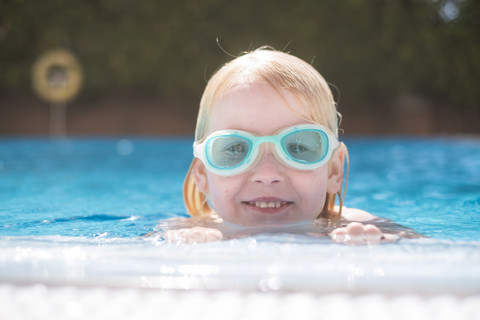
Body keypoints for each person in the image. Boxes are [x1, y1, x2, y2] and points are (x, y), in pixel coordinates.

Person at [157, 47, 409, 245]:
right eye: (235, 149)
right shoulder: (187, 231)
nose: (268, 175)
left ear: (334, 170)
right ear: (202, 174)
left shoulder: (356, 226)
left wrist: (383, 243)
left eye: (298, 148)